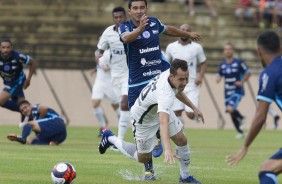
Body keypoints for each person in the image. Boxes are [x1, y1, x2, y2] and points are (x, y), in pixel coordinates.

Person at [118, 0, 201, 178]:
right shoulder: (124, 27)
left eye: (142, 7)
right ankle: (149, 170)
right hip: (138, 86)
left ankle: (182, 175)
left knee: (165, 119)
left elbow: (169, 29)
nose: (139, 11)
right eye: (135, 8)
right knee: (144, 128)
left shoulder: (154, 22)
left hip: (158, 77)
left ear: (146, 8)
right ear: (130, 11)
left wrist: (187, 33)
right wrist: (140, 29)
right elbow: (126, 39)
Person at [99, 59, 204, 183]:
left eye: (186, 78)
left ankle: (185, 177)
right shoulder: (165, 93)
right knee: (143, 157)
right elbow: (163, 121)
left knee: (182, 139)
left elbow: (178, 91)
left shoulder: (171, 77)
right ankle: (110, 138)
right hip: (143, 119)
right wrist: (168, 148)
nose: (184, 82)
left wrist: (194, 107)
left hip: (158, 109)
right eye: (181, 79)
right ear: (172, 76)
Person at [227, 31, 282, 184]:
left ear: (259, 51)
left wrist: (245, 146)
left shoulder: (269, 74)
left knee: (266, 170)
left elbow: (260, 115)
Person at [97, 7, 130, 142]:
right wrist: (101, 61)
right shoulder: (108, 32)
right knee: (126, 108)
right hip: (115, 75)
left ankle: (119, 140)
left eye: (121, 17)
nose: (118, 20)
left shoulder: (131, 30)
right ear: (113, 19)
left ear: (125, 17)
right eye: (116, 17)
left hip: (131, 72)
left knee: (124, 104)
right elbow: (99, 51)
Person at [166, 23, 206, 123]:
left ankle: (193, 110)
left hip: (191, 83)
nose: (185, 32)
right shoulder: (171, 47)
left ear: (190, 32)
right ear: (179, 31)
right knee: (176, 113)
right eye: (183, 29)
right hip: (176, 83)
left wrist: (200, 77)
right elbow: (166, 63)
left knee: (191, 114)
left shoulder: (197, 47)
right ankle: (181, 133)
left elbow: (203, 62)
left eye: (187, 30)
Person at [216, 42, 251, 139]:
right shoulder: (222, 64)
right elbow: (219, 74)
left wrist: (242, 81)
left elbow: (248, 72)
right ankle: (240, 132)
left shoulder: (239, 62)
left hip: (237, 90)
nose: (227, 51)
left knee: (230, 108)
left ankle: (242, 118)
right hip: (227, 91)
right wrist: (218, 78)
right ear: (224, 51)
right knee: (230, 112)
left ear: (233, 50)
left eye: (229, 49)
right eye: (226, 49)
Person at [0, 39, 36, 120]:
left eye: (8, 47)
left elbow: (32, 62)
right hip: (7, 81)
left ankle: (27, 110)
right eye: (3, 47)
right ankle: (29, 114)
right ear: (0, 48)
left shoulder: (18, 56)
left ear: (11, 48)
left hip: (17, 80)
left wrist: (28, 79)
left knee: (1, 101)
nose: (6, 50)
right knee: (21, 102)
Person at [92, 49, 120, 136]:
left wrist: (110, 67)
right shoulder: (98, 51)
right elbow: (99, 63)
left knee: (115, 106)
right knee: (95, 104)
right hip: (99, 82)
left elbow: (119, 64)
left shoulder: (114, 51)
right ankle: (103, 127)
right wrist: (95, 69)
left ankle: (122, 124)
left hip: (110, 83)